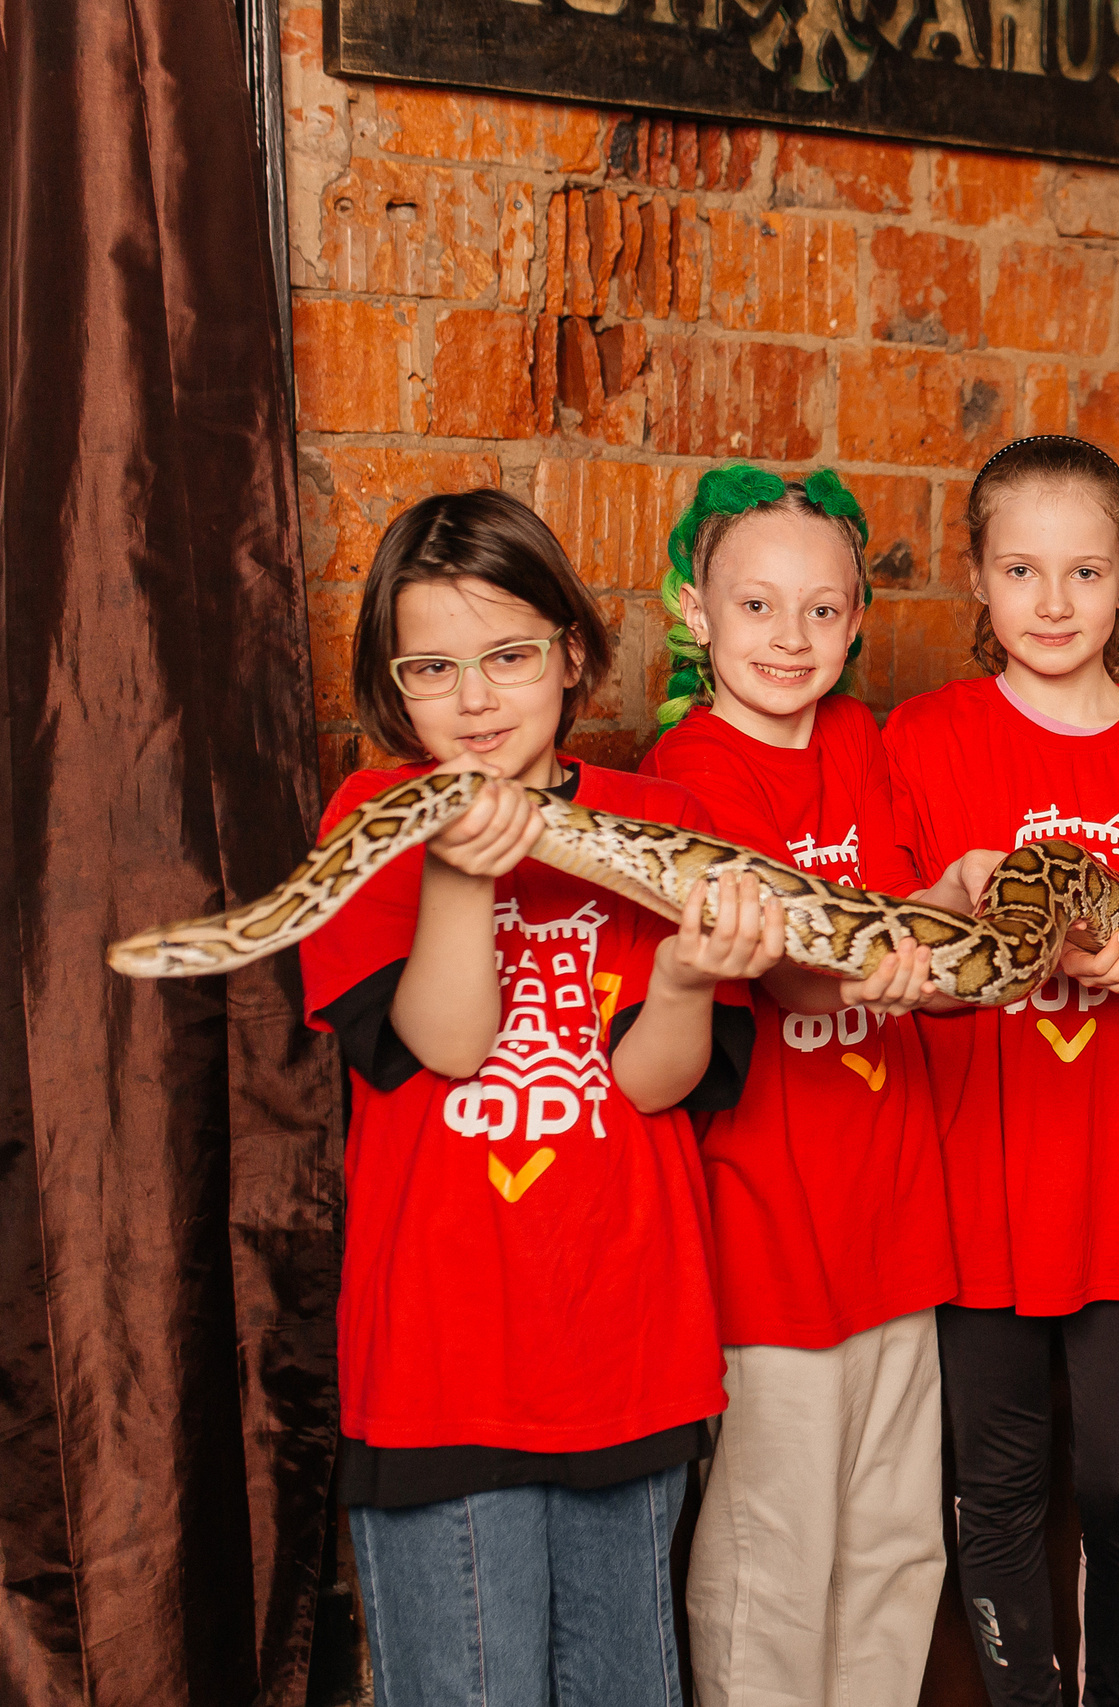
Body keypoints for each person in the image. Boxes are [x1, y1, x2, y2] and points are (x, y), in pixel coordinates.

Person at [299, 490, 784, 1707]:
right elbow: (448, 1046)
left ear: (572, 654)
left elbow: (653, 1082)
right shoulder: (369, 821)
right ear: (394, 685)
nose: (473, 701)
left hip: (629, 1348)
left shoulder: (668, 826)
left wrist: (679, 973)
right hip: (440, 1366)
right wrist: (462, 863)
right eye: (433, 668)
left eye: (509, 656)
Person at [886, 434, 1119, 1707]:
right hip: (976, 1172)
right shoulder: (920, 742)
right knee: (992, 1485)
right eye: (1023, 571)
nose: (1054, 604)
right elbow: (892, 951)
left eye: (1084, 571)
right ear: (977, 584)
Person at [637, 464, 957, 1706]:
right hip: (769, 1221)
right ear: (694, 611)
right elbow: (803, 981)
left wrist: (944, 912)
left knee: (891, 1544)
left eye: (821, 611)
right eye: (757, 606)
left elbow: (900, 929)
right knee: (776, 1548)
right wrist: (929, 924)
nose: (791, 637)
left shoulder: (870, 744)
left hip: (895, 1210)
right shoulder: (687, 775)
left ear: (858, 620)